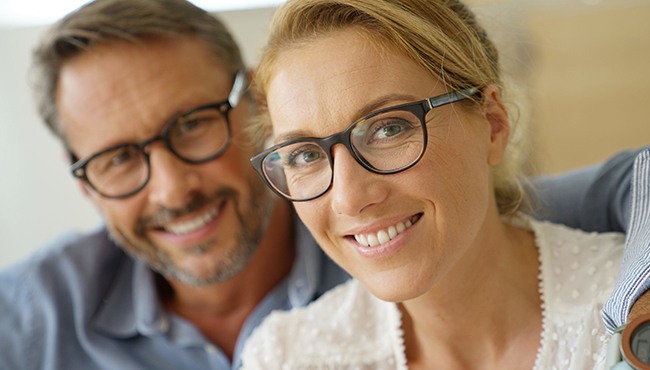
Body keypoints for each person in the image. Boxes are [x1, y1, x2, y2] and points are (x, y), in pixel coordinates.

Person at [0, 0, 645, 369]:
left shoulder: (611, 298)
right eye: (306, 153)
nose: (170, 189)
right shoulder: (32, 317)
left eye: (389, 127)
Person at [241, 0, 650, 368]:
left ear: (492, 125)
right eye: (305, 155)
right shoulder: (286, 357)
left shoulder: (629, 321)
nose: (349, 198)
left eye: (388, 128)